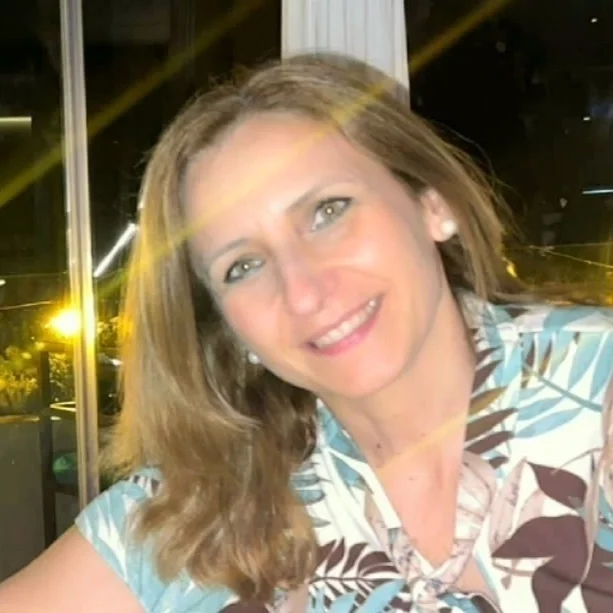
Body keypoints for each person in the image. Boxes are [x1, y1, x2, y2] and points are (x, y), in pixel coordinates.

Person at [1, 53, 612, 613]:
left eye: (328, 211)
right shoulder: (208, 505)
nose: (303, 291)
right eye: (243, 266)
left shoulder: (595, 393)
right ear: (228, 326)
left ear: (434, 204)